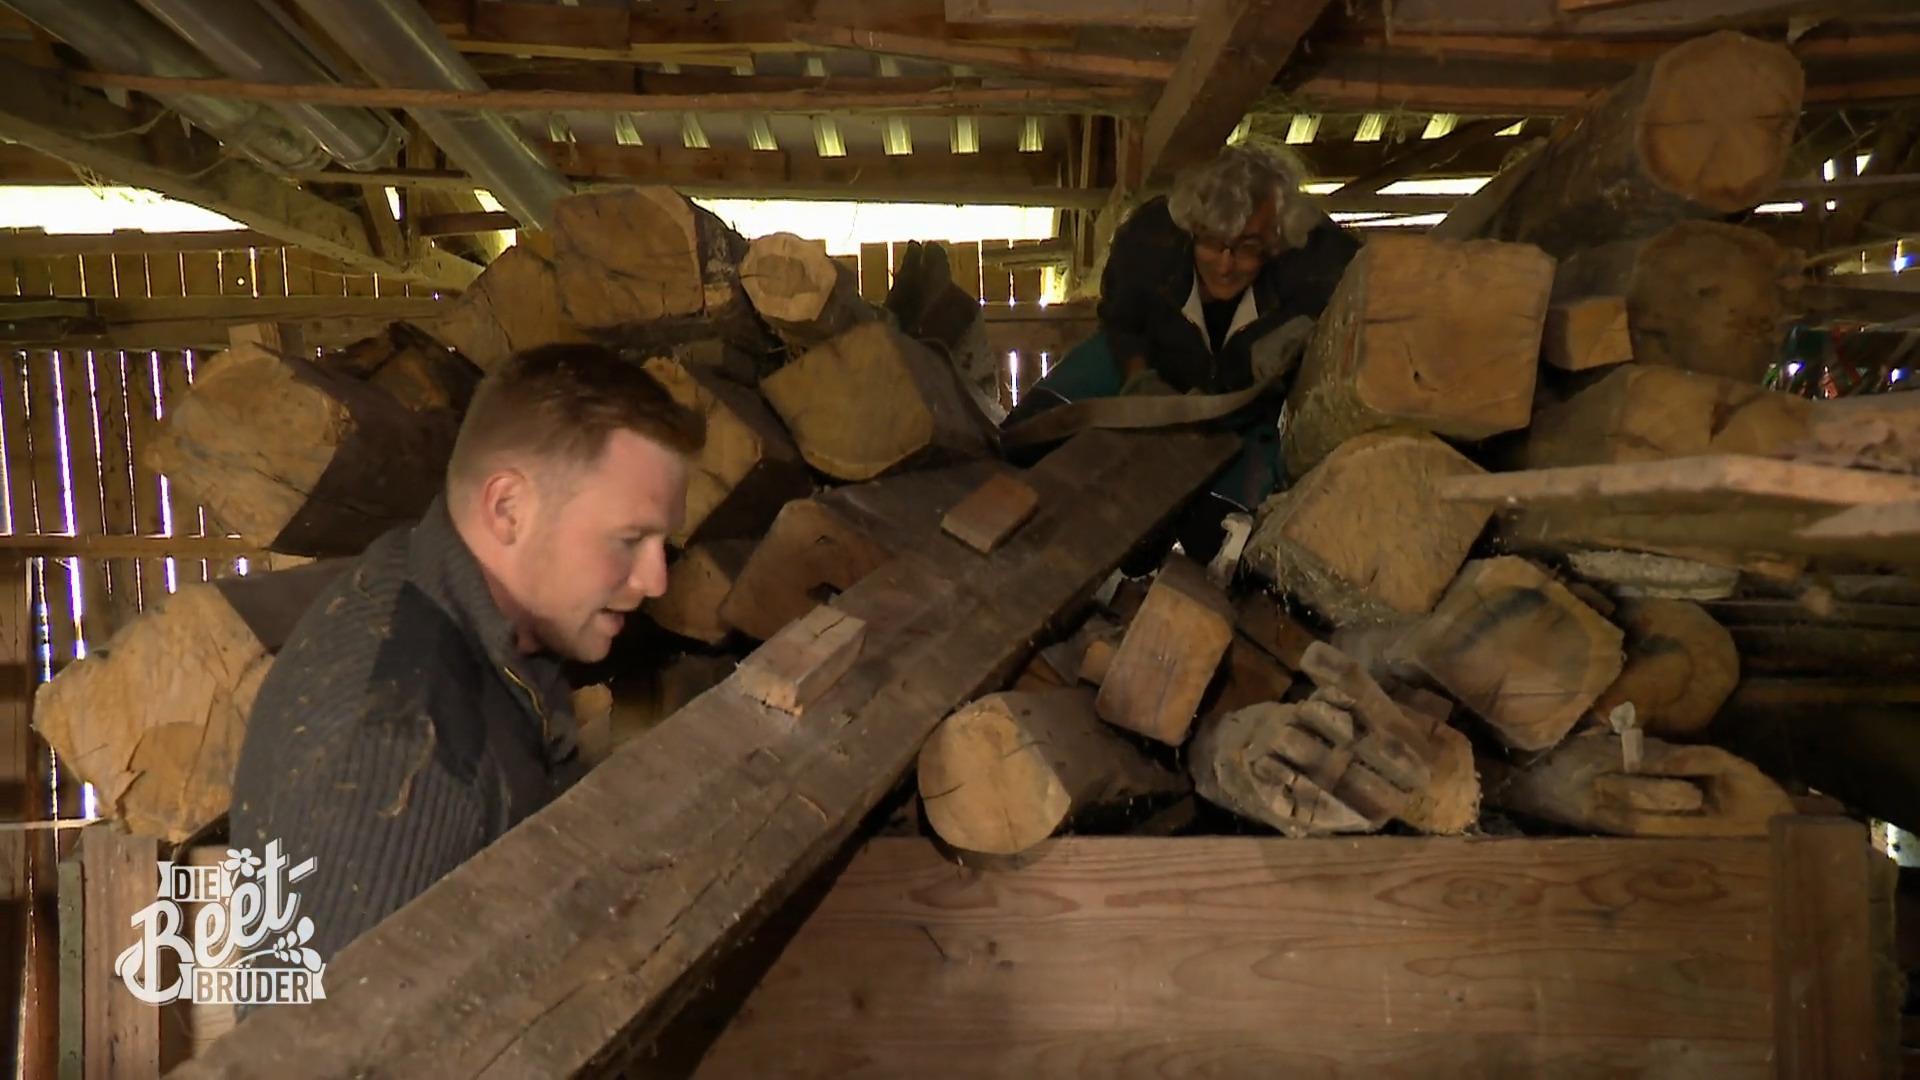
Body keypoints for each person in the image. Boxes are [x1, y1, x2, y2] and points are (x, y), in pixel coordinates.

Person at [228, 342, 705, 980]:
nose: (655, 579)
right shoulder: (397, 741)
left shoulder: (455, 617)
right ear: (508, 508)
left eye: (661, 542)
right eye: (630, 539)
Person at [1007, 140, 1360, 555]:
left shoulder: (1320, 262)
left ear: (1277, 237)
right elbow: (1121, 318)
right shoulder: (1148, 239)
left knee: (1212, 536)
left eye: (1247, 248)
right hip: (1150, 369)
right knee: (1025, 441)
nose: (1225, 265)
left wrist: (1306, 336)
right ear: (1191, 228)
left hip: (1242, 405)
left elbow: (1364, 305)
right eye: (1211, 243)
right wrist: (1139, 378)